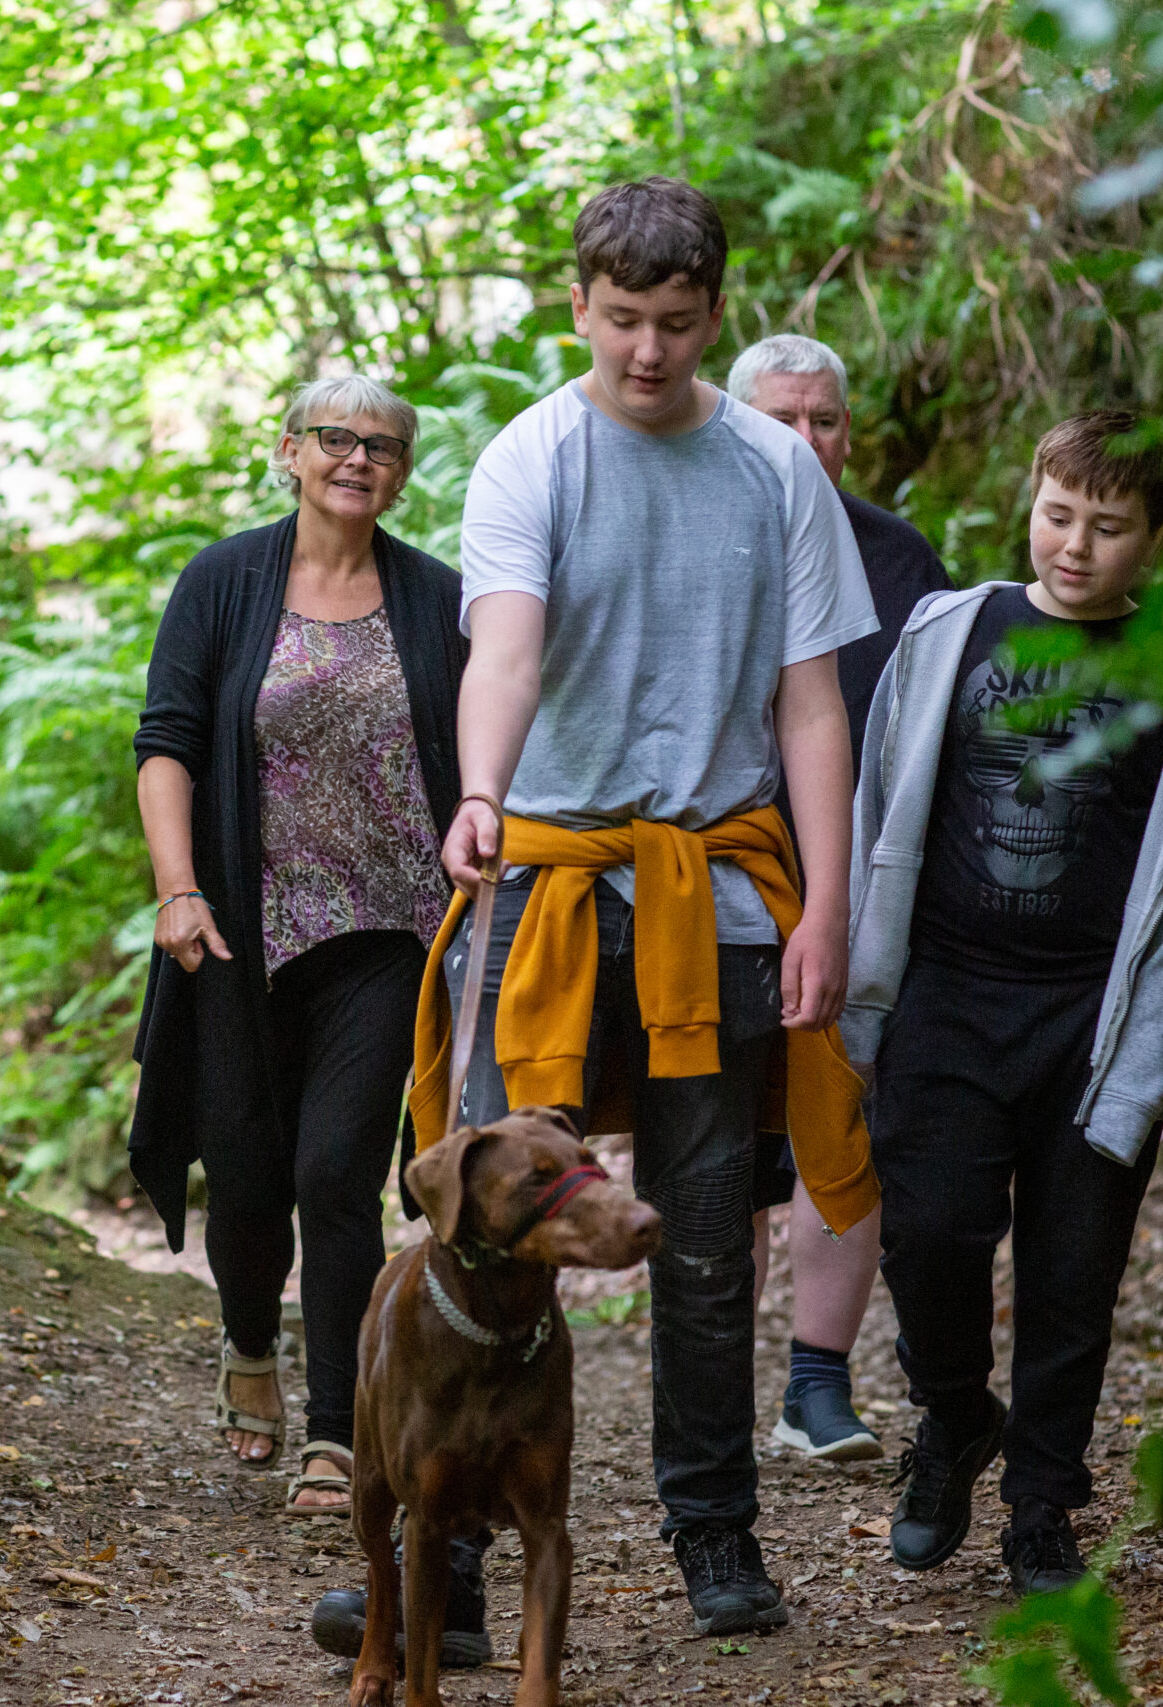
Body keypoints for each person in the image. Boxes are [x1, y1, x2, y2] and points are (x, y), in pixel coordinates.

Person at [314, 176, 881, 1657]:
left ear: (715, 314)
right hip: (547, 880)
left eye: (677, 323)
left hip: (719, 891)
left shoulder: (775, 470)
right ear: (578, 303)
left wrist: (826, 905)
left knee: (697, 1229)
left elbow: (812, 706)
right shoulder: (531, 459)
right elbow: (502, 652)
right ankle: (448, 1569)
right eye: (622, 319)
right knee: (484, 1214)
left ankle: (716, 1528)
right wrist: (483, 790)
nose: (646, 350)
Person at [844, 410, 1163, 1595]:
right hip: (945, 1000)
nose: (1075, 545)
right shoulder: (948, 631)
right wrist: (868, 980)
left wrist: (1146, 1062)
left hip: (1093, 1016)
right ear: (1032, 500)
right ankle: (956, 1419)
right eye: (1059, 513)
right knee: (927, 1238)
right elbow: (882, 803)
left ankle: (1041, 1504)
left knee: (1074, 1275)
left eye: (1109, 526)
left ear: (1153, 540)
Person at [128, 375, 466, 1518]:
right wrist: (178, 893)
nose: (356, 460)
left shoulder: (435, 600)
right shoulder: (224, 583)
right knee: (247, 1178)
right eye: (335, 439)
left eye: (382, 446)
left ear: (402, 472)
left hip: (386, 932)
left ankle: (340, 1430)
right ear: (289, 451)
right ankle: (245, 1344)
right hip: (236, 930)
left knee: (336, 1175)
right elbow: (167, 742)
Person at [725, 333, 951, 1463]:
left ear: (849, 434)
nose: (804, 443)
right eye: (779, 420)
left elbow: (944, 728)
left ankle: (816, 1388)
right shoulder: (698, 531)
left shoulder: (899, 560)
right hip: (712, 889)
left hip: (859, 898)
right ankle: (712, 1389)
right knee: (719, 1148)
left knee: (841, 1133)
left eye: (823, 421)